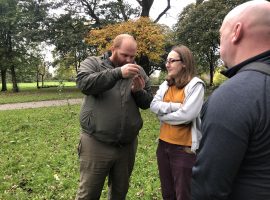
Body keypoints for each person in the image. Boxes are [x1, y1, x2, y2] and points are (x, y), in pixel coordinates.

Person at [191, 1, 270, 200]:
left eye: (220, 35)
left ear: (236, 31)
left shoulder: (234, 95)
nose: (219, 46)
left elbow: (208, 191)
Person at [75, 33, 153, 200]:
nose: (129, 60)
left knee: (119, 193)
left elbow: (147, 103)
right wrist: (118, 73)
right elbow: (84, 84)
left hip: (126, 146)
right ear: (113, 49)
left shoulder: (138, 71)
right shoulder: (93, 63)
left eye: (132, 56)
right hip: (96, 143)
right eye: (125, 55)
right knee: (88, 194)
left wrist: (138, 92)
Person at [150, 45, 205, 200]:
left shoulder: (196, 85)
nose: (167, 64)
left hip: (184, 149)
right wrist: (175, 107)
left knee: (183, 194)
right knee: (168, 193)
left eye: (172, 61)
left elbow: (187, 115)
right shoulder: (166, 84)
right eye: (167, 61)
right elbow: (154, 105)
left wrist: (163, 116)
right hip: (163, 145)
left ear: (185, 63)